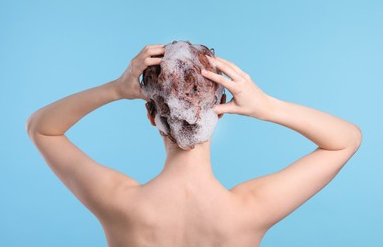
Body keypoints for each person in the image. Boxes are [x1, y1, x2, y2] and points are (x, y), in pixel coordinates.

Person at [26, 42, 362, 247]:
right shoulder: (249, 210)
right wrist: (266, 106)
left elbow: (41, 129)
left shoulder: (119, 203)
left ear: (151, 116)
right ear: (221, 114)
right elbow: (346, 140)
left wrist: (115, 89)